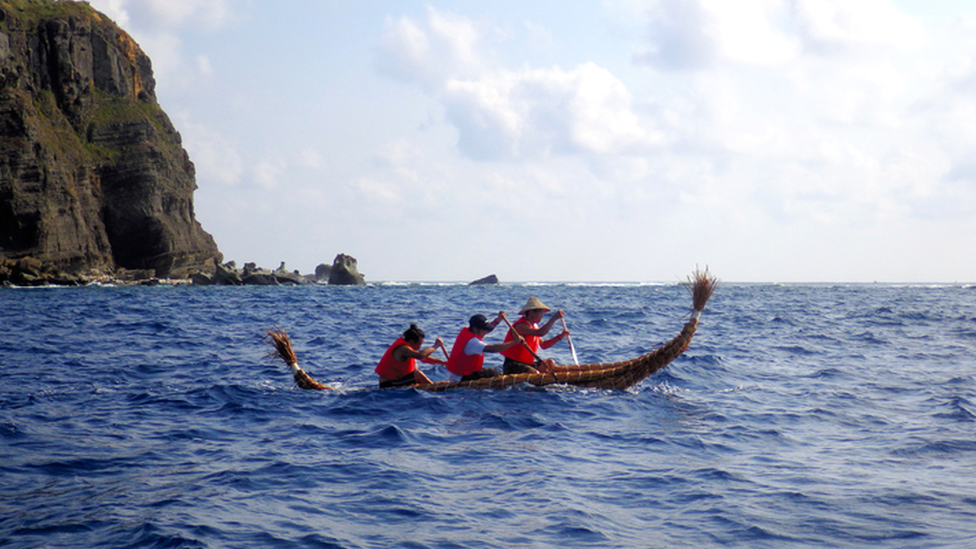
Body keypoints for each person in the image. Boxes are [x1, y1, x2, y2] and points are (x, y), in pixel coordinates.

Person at [446, 312, 524, 382]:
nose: (485, 332)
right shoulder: (473, 342)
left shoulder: (467, 331)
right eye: (484, 330)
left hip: (459, 374)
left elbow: (487, 330)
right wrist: (514, 342)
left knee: (492, 372)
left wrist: (497, 320)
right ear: (475, 329)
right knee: (493, 372)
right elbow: (494, 349)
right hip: (461, 378)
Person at [500, 297, 570, 374]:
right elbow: (541, 332)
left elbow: (544, 345)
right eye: (540, 313)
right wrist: (554, 318)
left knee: (550, 363)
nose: (542, 315)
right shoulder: (521, 326)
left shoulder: (534, 326)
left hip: (528, 364)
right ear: (531, 313)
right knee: (534, 373)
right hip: (513, 364)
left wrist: (560, 336)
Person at [375, 324, 446, 388]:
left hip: (400, 381)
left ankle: (432, 386)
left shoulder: (409, 349)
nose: (419, 347)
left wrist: (443, 362)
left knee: (416, 372)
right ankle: (434, 388)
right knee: (417, 374)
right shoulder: (403, 349)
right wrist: (435, 346)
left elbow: (424, 358)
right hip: (389, 384)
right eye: (419, 344)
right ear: (412, 341)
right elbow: (421, 355)